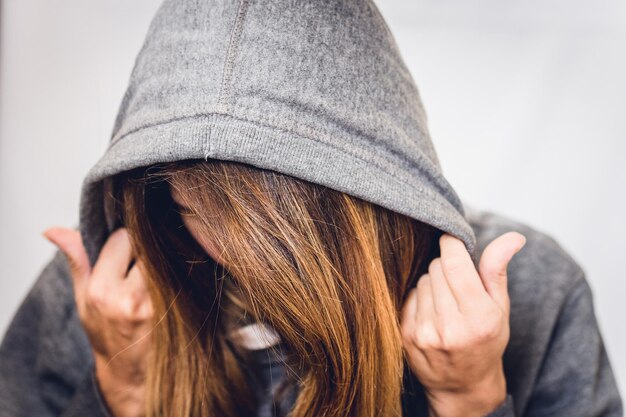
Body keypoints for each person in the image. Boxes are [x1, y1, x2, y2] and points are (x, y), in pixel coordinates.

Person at [0, 0, 622, 416]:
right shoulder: (101, 302)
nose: (225, 253)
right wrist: (122, 390)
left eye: (256, 223)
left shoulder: (532, 291)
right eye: (190, 209)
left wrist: (471, 400)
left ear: (365, 195)